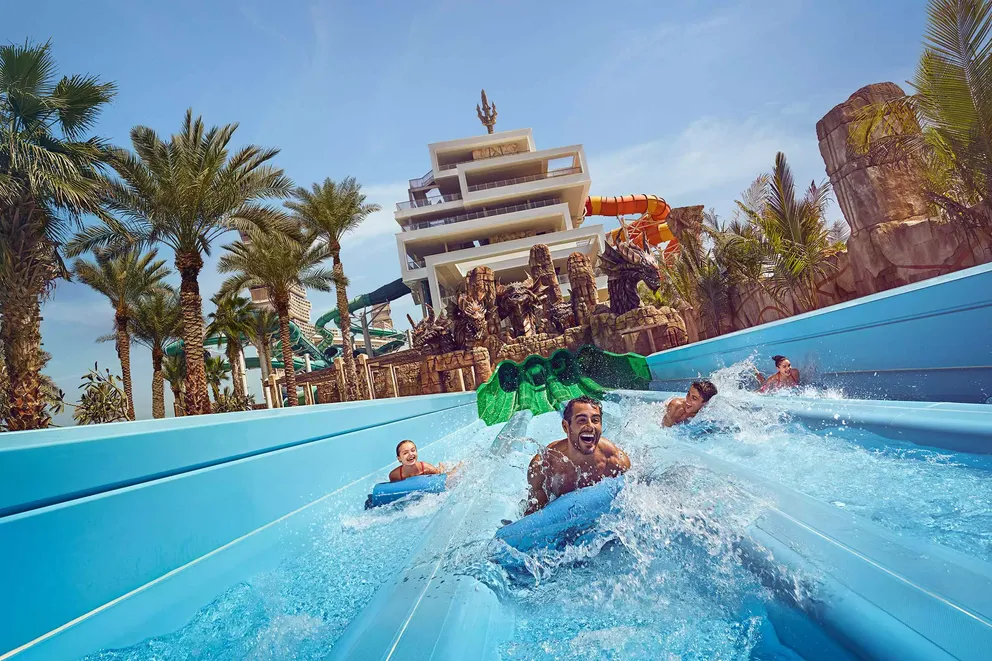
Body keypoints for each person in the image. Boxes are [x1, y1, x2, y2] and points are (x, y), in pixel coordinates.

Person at [525, 396, 631, 515]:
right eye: (581, 420)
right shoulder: (544, 466)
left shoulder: (615, 460)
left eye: (595, 420)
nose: (590, 426)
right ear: (566, 426)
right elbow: (534, 516)